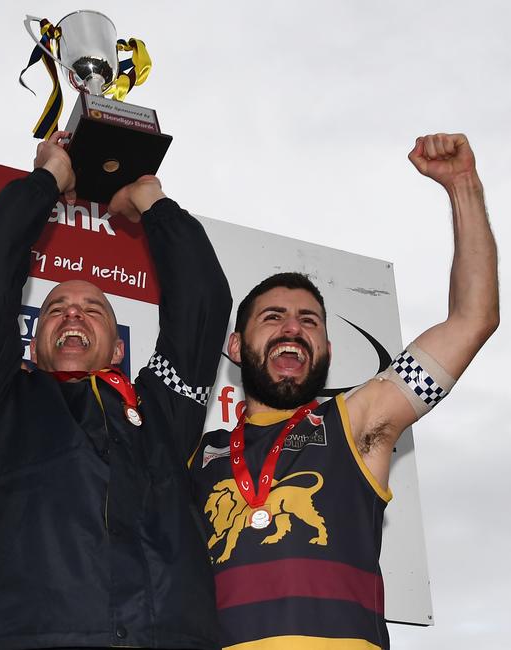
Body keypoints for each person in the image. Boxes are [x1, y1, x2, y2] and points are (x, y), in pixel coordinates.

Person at [189, 133, 499, 650]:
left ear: (327, 350)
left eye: (308, 320)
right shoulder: (199, 456)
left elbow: (473, 319)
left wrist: (463, 186)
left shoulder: (354, 424)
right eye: (273, 317)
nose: (292, 328)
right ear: (237, 346)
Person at [0, 131, 232, 650]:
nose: (73, 312)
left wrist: (149, 198)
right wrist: (50, 177)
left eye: (94, 309)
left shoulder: (159, 411)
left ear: (118, 350)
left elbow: (202, 298)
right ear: (32, 345)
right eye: (55, 308)